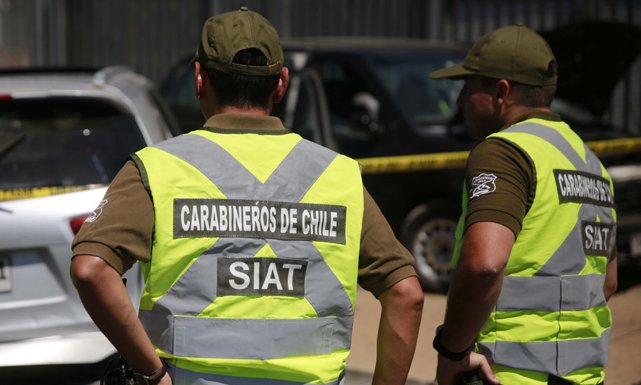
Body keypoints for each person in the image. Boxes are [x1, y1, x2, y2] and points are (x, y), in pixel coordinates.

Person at [70, 7, 424, 385]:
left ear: (199, 77)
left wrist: (152, 373)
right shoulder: (339, 175)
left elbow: (91, 268)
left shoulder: (158, 168)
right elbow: (406, 295)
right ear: (282, 83)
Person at [428, 25, 617, 385]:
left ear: (501, 92)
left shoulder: (503, 151)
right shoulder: (590, 162)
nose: (460, 100)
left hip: (507, 374)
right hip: (584, 376)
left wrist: (452, 351)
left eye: (469, 87)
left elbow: (484, 265)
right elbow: (607, 282)